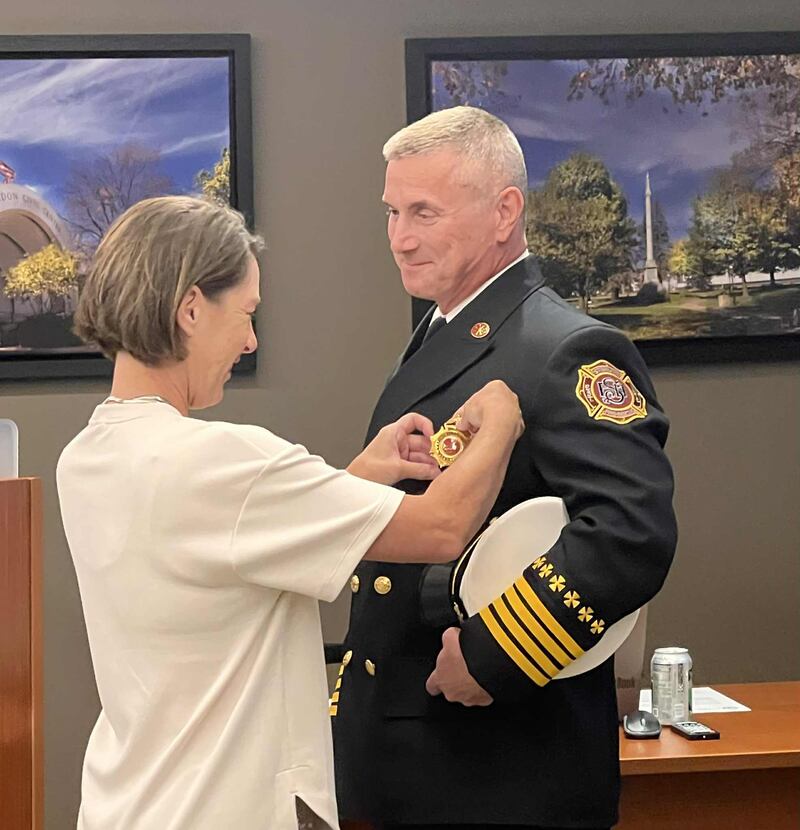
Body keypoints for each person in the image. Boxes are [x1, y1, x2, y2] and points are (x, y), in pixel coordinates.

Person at [56, 195, 524, 830]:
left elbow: (229, 553)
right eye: (246, 313)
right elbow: (441, 527)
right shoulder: (222, 462)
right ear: (191, 308)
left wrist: (354, 480)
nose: (250, 340)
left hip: (131, 803)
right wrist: (500, 418)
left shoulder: (87, 458)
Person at [332, 107, 677, 830]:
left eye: (424, 211)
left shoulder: (566, 348)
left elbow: (629, 531)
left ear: (504, 212)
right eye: (392, 211)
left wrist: (496, 655)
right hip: (418, 766)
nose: (400, 236)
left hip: (501, 772)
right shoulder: (444, 329)